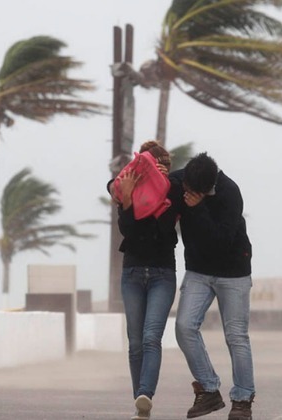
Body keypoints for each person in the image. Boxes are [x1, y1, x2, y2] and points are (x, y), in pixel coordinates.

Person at [170, 153, 255, 420]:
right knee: (184, 327)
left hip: (233, 272)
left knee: (236, 336)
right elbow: (151, 184)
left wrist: (198, 208)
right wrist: (114, 185)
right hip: (198, 270)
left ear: (208, 188)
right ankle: (208, 389)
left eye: (194, 193)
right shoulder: (182, 179)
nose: (187, 193)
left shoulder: (230, 192)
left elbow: (220, 242)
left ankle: (242, 400)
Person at [109, 140, 183, 420]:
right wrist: (128, 199)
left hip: (162, 274)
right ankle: (140, 405)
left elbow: (163, 231)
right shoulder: (127, 189)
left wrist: (162, 189)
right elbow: (129, 231)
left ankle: (145, 395)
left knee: (152, 337)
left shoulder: (173, 195)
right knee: (135, 341)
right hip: (132, 273)